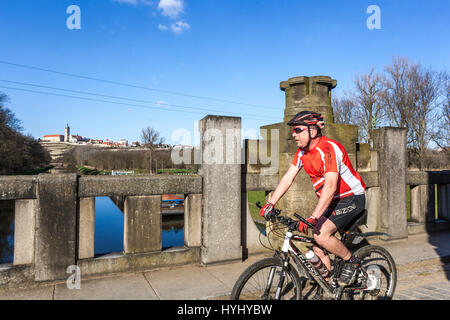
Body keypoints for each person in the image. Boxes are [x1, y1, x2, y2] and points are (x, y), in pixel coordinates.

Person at [259, 110, 367, 287]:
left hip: (352, 198)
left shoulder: (329, 148)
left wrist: (314, 216)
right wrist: (270, 203)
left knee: (321, 234)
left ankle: (351, 261)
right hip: (333, 201)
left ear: (313, 131)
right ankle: (327, 286)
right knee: (316, 245)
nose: (294, 135)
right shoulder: (302, 153)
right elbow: (288, 178)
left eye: (298, 130)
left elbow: (331, 186)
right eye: (293, 131)